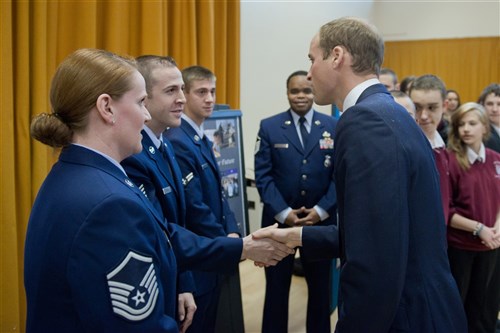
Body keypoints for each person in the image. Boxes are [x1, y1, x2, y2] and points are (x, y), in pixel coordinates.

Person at [24, 49, 293, 333]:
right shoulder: (108, 203)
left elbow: (161, 235)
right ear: (107, 108)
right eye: (141, 102)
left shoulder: (74, 172)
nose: (145, 115)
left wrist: (242, 246)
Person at [254, 17, 467, 332]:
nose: (310, 72)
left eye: (312, 59)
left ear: (337, 56)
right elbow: (382, 231)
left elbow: (375, 262)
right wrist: (298, 236)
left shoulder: (365, 121)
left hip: (405, 316)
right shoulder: (387, 111)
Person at [254, 70, 338, 333]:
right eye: (295, 91)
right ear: (287, 92)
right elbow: (263, 175)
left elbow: (339, 175)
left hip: (320, 226)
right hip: (278, 226)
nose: (301, 96)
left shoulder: (333, 127)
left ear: (314, 92)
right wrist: (283, 213)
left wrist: (322, 210)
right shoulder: (269, 126)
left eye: (306, 90)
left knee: (320, 291)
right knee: (277, 289)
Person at [120, 55, 196, 332]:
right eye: (170, 91)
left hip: (174, 278)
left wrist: (184, 283)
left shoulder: (165, 143)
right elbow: (160, 233)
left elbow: (180, 220)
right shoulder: (133, 156)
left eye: (182, 89)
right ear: (145, 100)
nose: (182, 99)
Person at [164, 66, 241, 333]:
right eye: (201, 92)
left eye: (212, 91)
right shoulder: (178, 140)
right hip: (199, 256)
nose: (209, 99)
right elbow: (195, 207)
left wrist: (233, 231)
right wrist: (226, 241)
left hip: (213, 250)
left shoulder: (198, 136)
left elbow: (219, 193)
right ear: (185, 95)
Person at [446, 102, 500, 333]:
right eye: (461, 125)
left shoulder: (496, 158)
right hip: (462, 246)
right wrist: (479, 229)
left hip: (492, 244)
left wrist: (497, 228)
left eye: (472, 123)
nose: (466, 129)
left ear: (485, 128)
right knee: (460, 305)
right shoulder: (451, 160)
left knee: (485, 307)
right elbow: (446, 211)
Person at [409, 74, 451, 224]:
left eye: (432, 107)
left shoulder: (445, 146)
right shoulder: (404, 148)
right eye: (417, 108)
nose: (424, 116)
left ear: (445, 106)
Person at [478, 83, 500, 152]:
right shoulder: (480, 133)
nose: (494, 109)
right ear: (482, 105)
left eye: (499, 104)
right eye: (490, 104)